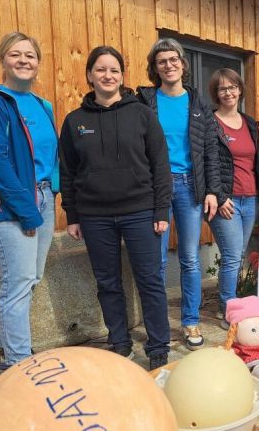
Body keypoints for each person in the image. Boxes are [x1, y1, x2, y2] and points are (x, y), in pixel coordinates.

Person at [60, 45, 172, 370]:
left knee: (150, 280)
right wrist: (72, 215)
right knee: (108, 283)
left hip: (140, 211)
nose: (107, 75)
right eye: (101, 69)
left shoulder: (142, 115)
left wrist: (161, 211)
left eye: (114, 70)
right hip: (95, 216)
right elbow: (67, 171)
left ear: (122, 76)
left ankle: (158, 346)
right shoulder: (75, 121)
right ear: (89, 75)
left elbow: (160, 165)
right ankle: (120, 342)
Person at [0, 32, 59, 370]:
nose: (23, 60)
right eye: (15, 54)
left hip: (44, 197)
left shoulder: (42, 105)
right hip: (8, 206)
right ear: (2, 60)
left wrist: (53, 194)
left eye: (30, 55)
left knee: (30, 279)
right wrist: (27, 211)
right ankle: (18, 364)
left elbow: (52, 156)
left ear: (38, 63)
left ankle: (10, 349)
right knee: (18, 284)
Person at [136, 38, 220, 351]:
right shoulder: (144, 101)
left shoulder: (197, 103)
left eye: (174, 59)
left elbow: (210, 150)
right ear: (155, 68)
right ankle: (158, 325)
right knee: (156, 261)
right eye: (162, 61)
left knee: (190, 259)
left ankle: (190, 320)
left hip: (190, 187)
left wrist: (212, 190)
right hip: (156, 188)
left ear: (183, 64)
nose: (169, 65)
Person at [207, 68, 259, 329]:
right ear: (216, 93)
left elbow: (255, 162)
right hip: (225, 201)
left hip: (250, 199)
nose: (228, 92)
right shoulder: (210, 122)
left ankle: (230, 303)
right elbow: (206, 162)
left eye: (232, 87)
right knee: (231, 256)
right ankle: (228, 309)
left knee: (238, 255)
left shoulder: (250, 123)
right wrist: (219, 196)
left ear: (240, 90)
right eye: (222, 88)